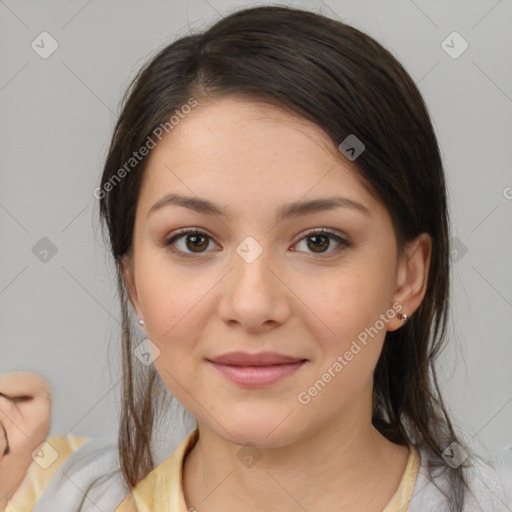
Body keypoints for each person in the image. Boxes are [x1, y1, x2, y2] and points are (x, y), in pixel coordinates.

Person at [2, 4, 511, 512]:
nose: (251, 305)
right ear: (132, 280)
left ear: (408, 279)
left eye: (318, 241)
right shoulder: (31, 492)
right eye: (194, 241)